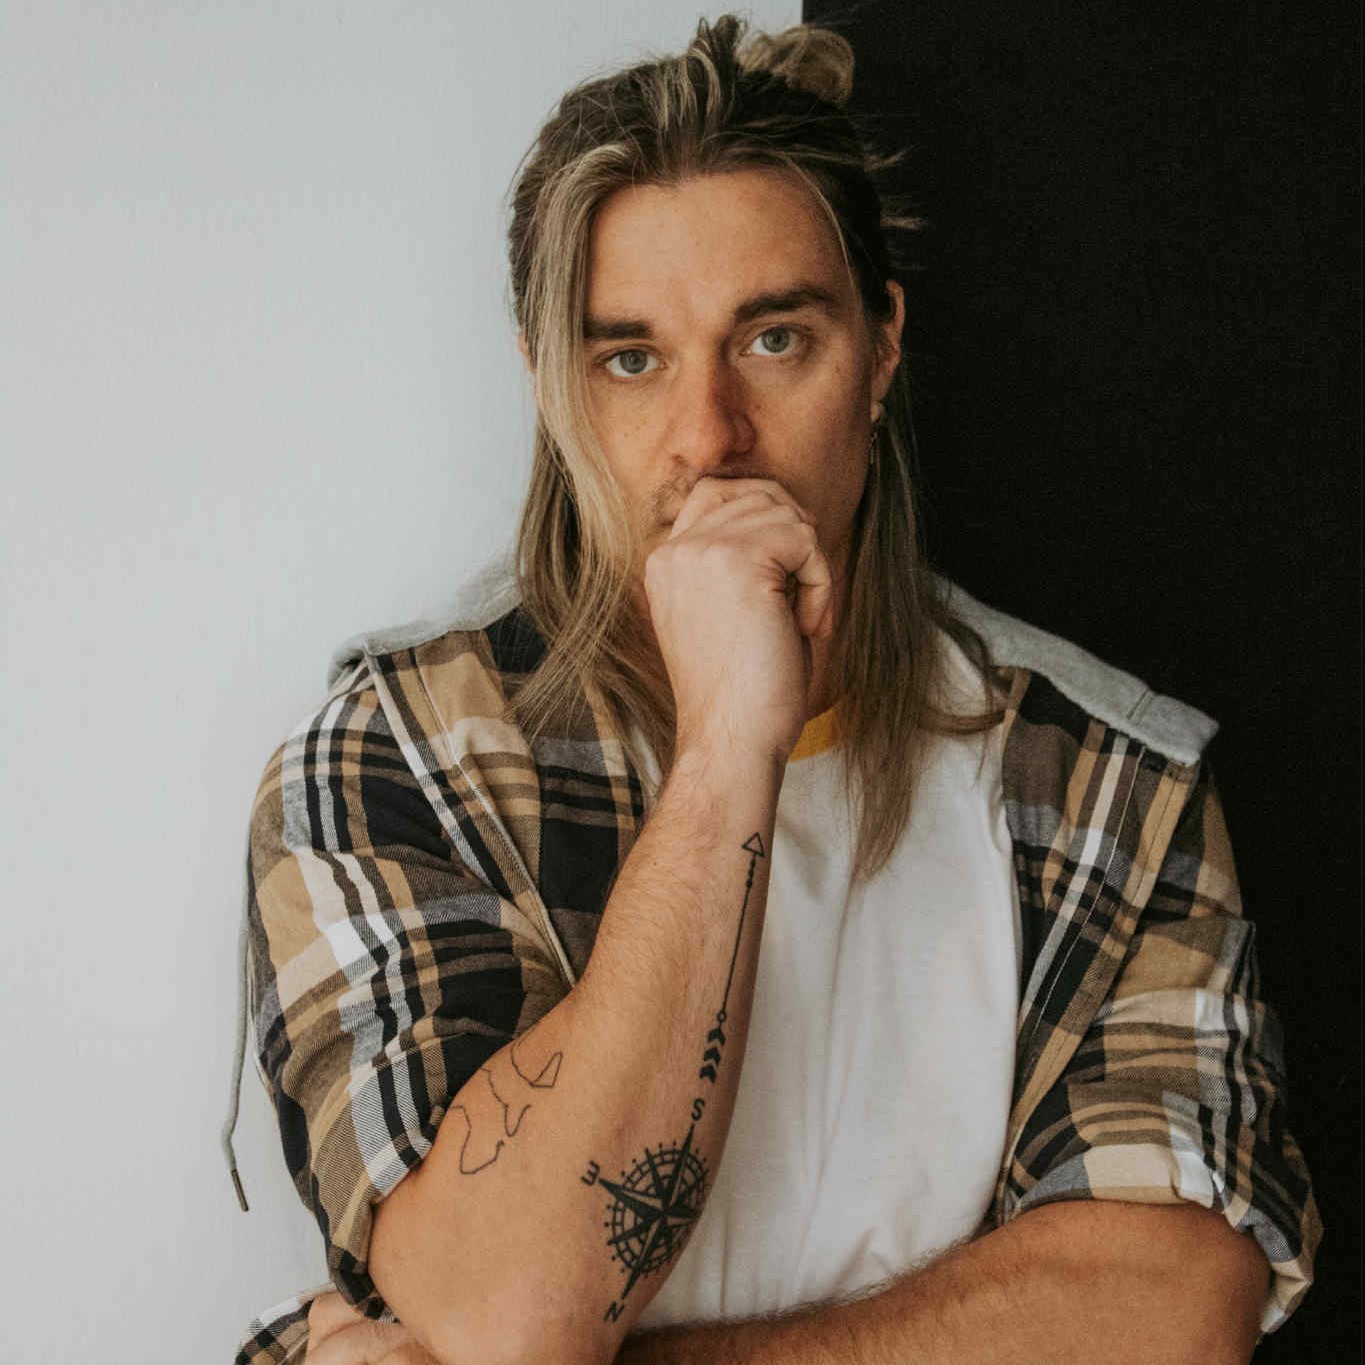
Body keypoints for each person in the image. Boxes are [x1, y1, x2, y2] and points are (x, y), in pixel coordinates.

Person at [228, 15, 1321, 1364]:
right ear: (551, 390)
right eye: (630, 360)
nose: (709, 438)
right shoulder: (391, 757)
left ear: (881, 348)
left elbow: (1169, 1309)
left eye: (775, 340)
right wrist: (725, 752)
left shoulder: (1104, 778)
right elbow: (510, 1303)